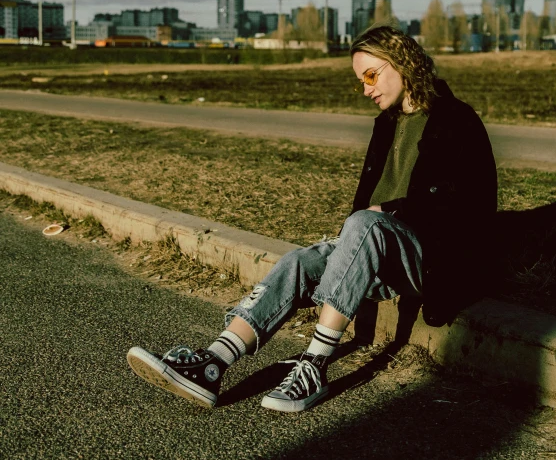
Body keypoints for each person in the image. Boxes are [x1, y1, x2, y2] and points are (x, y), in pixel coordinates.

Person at [127, 24, 497, 412]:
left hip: (432, 256)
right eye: (361, 81)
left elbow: (467, 206)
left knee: (363, 224)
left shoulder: (456, 120)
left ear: (401, 62)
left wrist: (391, 211)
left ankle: (314, 365)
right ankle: (213, 364)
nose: (366, 89)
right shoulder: (386, 123)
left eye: (371, 76)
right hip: (374, 245)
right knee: (298, 262)